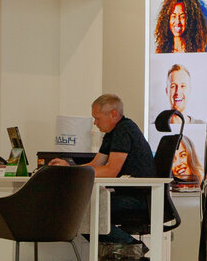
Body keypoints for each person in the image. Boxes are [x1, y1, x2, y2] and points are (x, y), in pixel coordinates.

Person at [50, 94, 154, 243]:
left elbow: (111, 171)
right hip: (130, 195)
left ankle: (131, 247)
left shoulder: (124, 130)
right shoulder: (112, 133)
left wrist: (72, 172)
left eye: (97, 118)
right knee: (79, 211)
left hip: (139, 199)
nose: (95, 123)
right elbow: (96, 164)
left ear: (113, 114)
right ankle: (123, 249)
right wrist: (70, 168)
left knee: (80, 211)